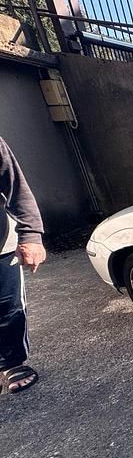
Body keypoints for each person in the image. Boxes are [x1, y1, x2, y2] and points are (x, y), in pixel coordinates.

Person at [0, 136, 46, 394]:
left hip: (0, 245)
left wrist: (31, 236)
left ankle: (10, 363)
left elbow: (15, 186)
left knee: (7, 307)